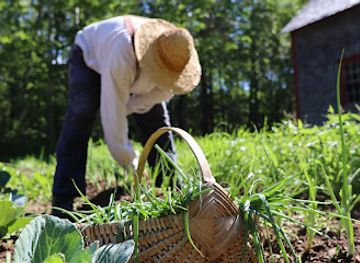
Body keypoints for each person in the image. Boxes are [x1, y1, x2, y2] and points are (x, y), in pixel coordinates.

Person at [51, 15, 201, 216]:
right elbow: (114, 118)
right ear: (151, 60)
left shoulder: (175, 53)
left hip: (131, 70)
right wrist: (132, 163)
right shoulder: (121, 55)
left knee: (158, 124)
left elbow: (141, 104)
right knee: (80, 115)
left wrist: (127, 107)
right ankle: (63, 199)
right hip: (90, 56)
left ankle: (173, 187)